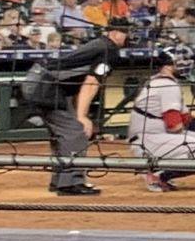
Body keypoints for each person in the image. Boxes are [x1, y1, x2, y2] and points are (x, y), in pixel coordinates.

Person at [20, 16, 134, 196]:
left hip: (40, 82)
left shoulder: (99, 44)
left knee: (63, 134)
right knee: (75, 132)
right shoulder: (109, 49)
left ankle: (60, 181)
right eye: (126, 32)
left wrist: (79, 114)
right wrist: (82, 117)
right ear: (115, 33)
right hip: (46, 86)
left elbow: (78, 86)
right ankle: (71, 183)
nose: (129, 37)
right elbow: (91, 83)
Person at [126, 42, 195, 191]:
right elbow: (174, 125)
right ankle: (157, 174)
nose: (185, 65)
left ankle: (157, 169)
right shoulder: (167, 86)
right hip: (150, 141)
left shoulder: (163, 82)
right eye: (179, 62)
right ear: (167, 66)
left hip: (151, 139)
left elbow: (187, 118)